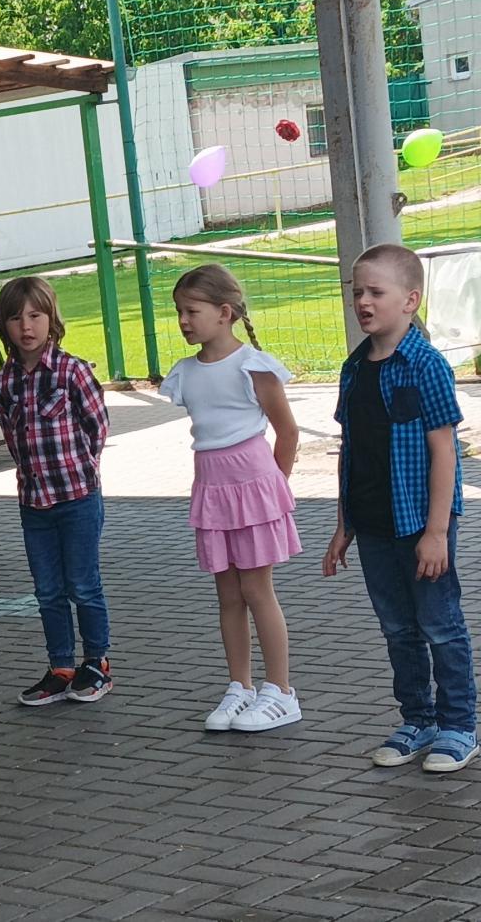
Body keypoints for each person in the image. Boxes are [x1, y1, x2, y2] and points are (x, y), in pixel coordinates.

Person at [324, 243, 478, 772]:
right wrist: (344, 524)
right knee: (397, 628)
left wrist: (436, 532)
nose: (363, 302)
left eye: (376, 292)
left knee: (439, 624)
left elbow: (444, 451)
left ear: (410, 300)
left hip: (419, 521)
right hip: (373, 522)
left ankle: (459, 724)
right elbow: (351, 449)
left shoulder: (426, 365)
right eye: (357, 292)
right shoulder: (353, 367)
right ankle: (419, 718)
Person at [160, 264, 302, 732]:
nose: (183, 321)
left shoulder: (252, 366)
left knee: (257, 590)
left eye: (192, 311)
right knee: (227, 595)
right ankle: (240, 685)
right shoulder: (185, 373)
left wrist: (274, 488)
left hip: (253, 487)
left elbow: (287, 432)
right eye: (179, 312)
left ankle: (281, 690)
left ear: (225, 313)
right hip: (213, 489)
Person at [0, 277, 114, 706]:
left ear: (51, 319)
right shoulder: (4, 381)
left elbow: (97, 426)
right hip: (34, 502)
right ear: (4, 326)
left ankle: (96, 663)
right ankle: (61, 666)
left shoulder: (71, 370)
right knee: (47, 590)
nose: (26, 326)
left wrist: (82, 469)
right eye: (15, 318)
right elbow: (12, 435)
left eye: (35, 316)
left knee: (83, 584)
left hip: (77, 497)